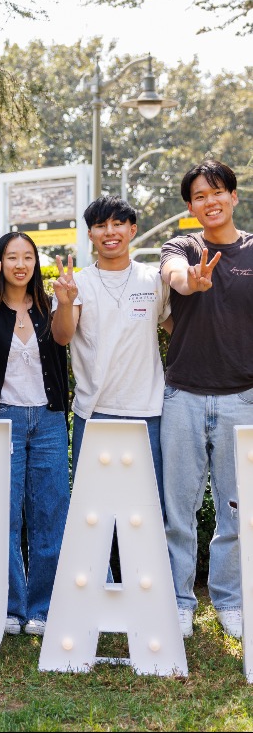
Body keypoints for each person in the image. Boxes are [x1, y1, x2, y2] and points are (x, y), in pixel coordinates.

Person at [0, 232, 70, 636]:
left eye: (28, 257)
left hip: (49, 420)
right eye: (12, 257)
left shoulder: (50, 305)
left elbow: (65, 337)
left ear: (36, 263)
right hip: (1, 417)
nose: (20, 265)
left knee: (49, 512)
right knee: (1, 513)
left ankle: (43, 607)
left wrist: (66, 303)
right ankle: (9, 604)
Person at [160, 159, 253, 640]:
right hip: (184, 396)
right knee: (178, 510)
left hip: (242, 398)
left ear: (233, 196)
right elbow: (175, 273)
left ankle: (229, 600)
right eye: (200, 196)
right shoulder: (182, 247)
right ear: (190, 207)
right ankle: (179, 602)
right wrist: (190, 281)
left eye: (218, 192)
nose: (210, 201)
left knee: (236, 510)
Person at [51, 195, 172, 514]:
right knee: (93, 515)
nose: (110, 232)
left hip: (148, 411)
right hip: (95, 411)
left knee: (147, 512)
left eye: (118, 224)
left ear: (132, 230)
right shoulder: (77, 283)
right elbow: (62, 336)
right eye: (100, 225)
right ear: (90, 234)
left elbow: (179, 331)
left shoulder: (154, 279)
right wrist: (65, 302)